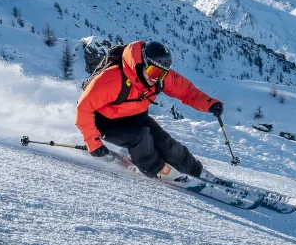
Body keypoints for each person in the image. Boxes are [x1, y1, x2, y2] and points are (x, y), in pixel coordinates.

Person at [75, 40, 224, 180]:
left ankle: (196, 171)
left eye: (161, 74)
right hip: (105, 121)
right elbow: (83, 109)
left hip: (135, 115)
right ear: (142, 64)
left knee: (165, 141)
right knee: (140, 137)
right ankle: (156, 170)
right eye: (153, 72)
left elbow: (186, 91)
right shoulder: (111, 79)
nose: (155, 79)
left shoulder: (159, 77)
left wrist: (210, 104)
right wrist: (94, 145)